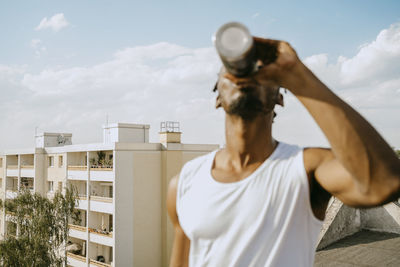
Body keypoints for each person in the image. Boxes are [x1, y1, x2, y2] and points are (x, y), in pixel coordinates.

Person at [167, 37, 400, 267]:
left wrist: (297, 75)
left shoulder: (306, 168)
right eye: (232, 71)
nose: (246, 75)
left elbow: (384, 183)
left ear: (279, 96)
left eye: (259, 71)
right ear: (218, 96)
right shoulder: (186, 180)